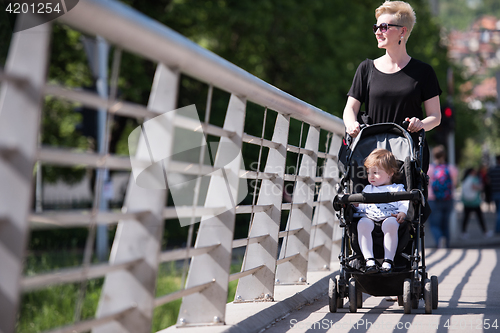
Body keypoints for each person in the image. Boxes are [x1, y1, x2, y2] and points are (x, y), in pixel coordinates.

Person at [342, 1, 442, 172]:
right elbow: (350, 108)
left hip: (408, 158)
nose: (378, 32)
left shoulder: (424, 72)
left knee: (408, 198)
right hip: (371, 155)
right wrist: (351, 124)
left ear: (402, 31)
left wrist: (421, 124)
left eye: (384, 27)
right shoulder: (366, 69)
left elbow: (436, 116)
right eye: (376, 28)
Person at [354, 149, 409, 274]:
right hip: (370, 217)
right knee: (362, 223)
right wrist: (357, 205)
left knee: (391, 224)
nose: (371, 176)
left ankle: (388, 260)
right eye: (369, 173)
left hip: (390, 216)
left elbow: (404, 202)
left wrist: (402, 212)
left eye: (375, 173)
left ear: (390, 173)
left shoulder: (397, 188)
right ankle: (369, 261)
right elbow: (363, 207)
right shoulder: (368, 189)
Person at [427, 145, 458, 248]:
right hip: (448, 198)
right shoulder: (451, 168)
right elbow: (454, 184)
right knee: (446, 223)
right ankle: (447, 242)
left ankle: (439, 239)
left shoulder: (430, 169)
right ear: (445, 155)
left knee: (435, 224)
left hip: (433, 199)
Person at [460, 167, 493, 239]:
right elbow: (475, 187)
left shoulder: (465, 179)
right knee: (479, 217)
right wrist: (481, 187)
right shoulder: (473, 179)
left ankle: (463, 232)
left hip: (467, 202)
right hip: (474, 202)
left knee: (466, 218)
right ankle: (485, 231)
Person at [488, 155, 500, 233]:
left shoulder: (492, 170)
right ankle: (497, 229)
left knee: (498, 211)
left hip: (494, 192)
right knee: (499, 212)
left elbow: (488, 181)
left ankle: (497, 228)